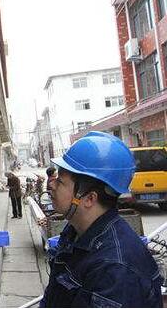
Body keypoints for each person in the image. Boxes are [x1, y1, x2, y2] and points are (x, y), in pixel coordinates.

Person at [40, 131, 164, 307]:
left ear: (89, 198)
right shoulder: (75, 231)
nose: (51, 184)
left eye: (60, 181)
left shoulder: (115, 269)